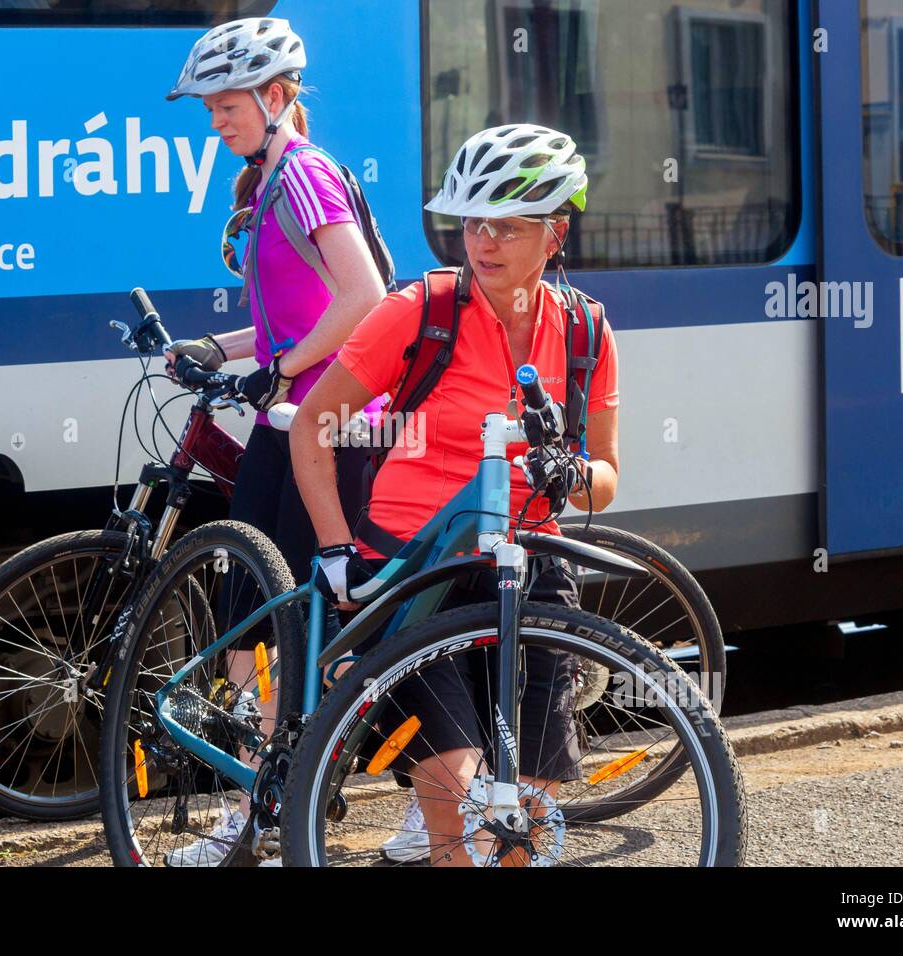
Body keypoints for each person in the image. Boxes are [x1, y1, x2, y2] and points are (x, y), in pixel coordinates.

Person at [290, 124, 621, 866]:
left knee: (527, 809)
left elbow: (606, 472)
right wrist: (337, 548)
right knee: (455, 784)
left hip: (528, 564)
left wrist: (567, 474)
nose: (484, 242)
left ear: (555, 233)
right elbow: (314, 425)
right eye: (473, 223)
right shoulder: (422, 310)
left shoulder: (585, 332)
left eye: (506, 225)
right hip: (416, 559)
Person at [161, 16, 387, 866]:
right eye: (210, 108)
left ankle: (278, 807)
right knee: (249, 614)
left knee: (303, 621)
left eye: (226, 106)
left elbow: (364, 296)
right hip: (282, 413)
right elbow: (295, 317)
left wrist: (285, 363)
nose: (215, 121)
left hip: (331, 420)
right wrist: (217, 350)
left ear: (277, 95)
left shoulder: (304, 177)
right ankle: (257, 799)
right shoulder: (266, 181)